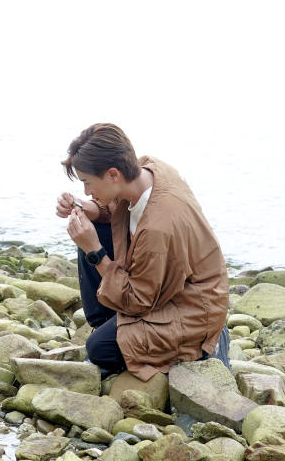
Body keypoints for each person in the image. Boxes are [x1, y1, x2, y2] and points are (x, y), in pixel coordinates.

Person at [56, 123, 229, 381]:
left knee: (98, 349)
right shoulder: (147, 169)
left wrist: (94, 251)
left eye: (88, 183)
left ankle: (208, 344)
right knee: (90, 231)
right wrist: (85, 208)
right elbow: (115, 207)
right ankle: (108, 324)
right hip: (164, 286)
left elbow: (138, 300)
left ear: (113, 174)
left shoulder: (158, 226)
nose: (86, 191)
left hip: (192, 307)